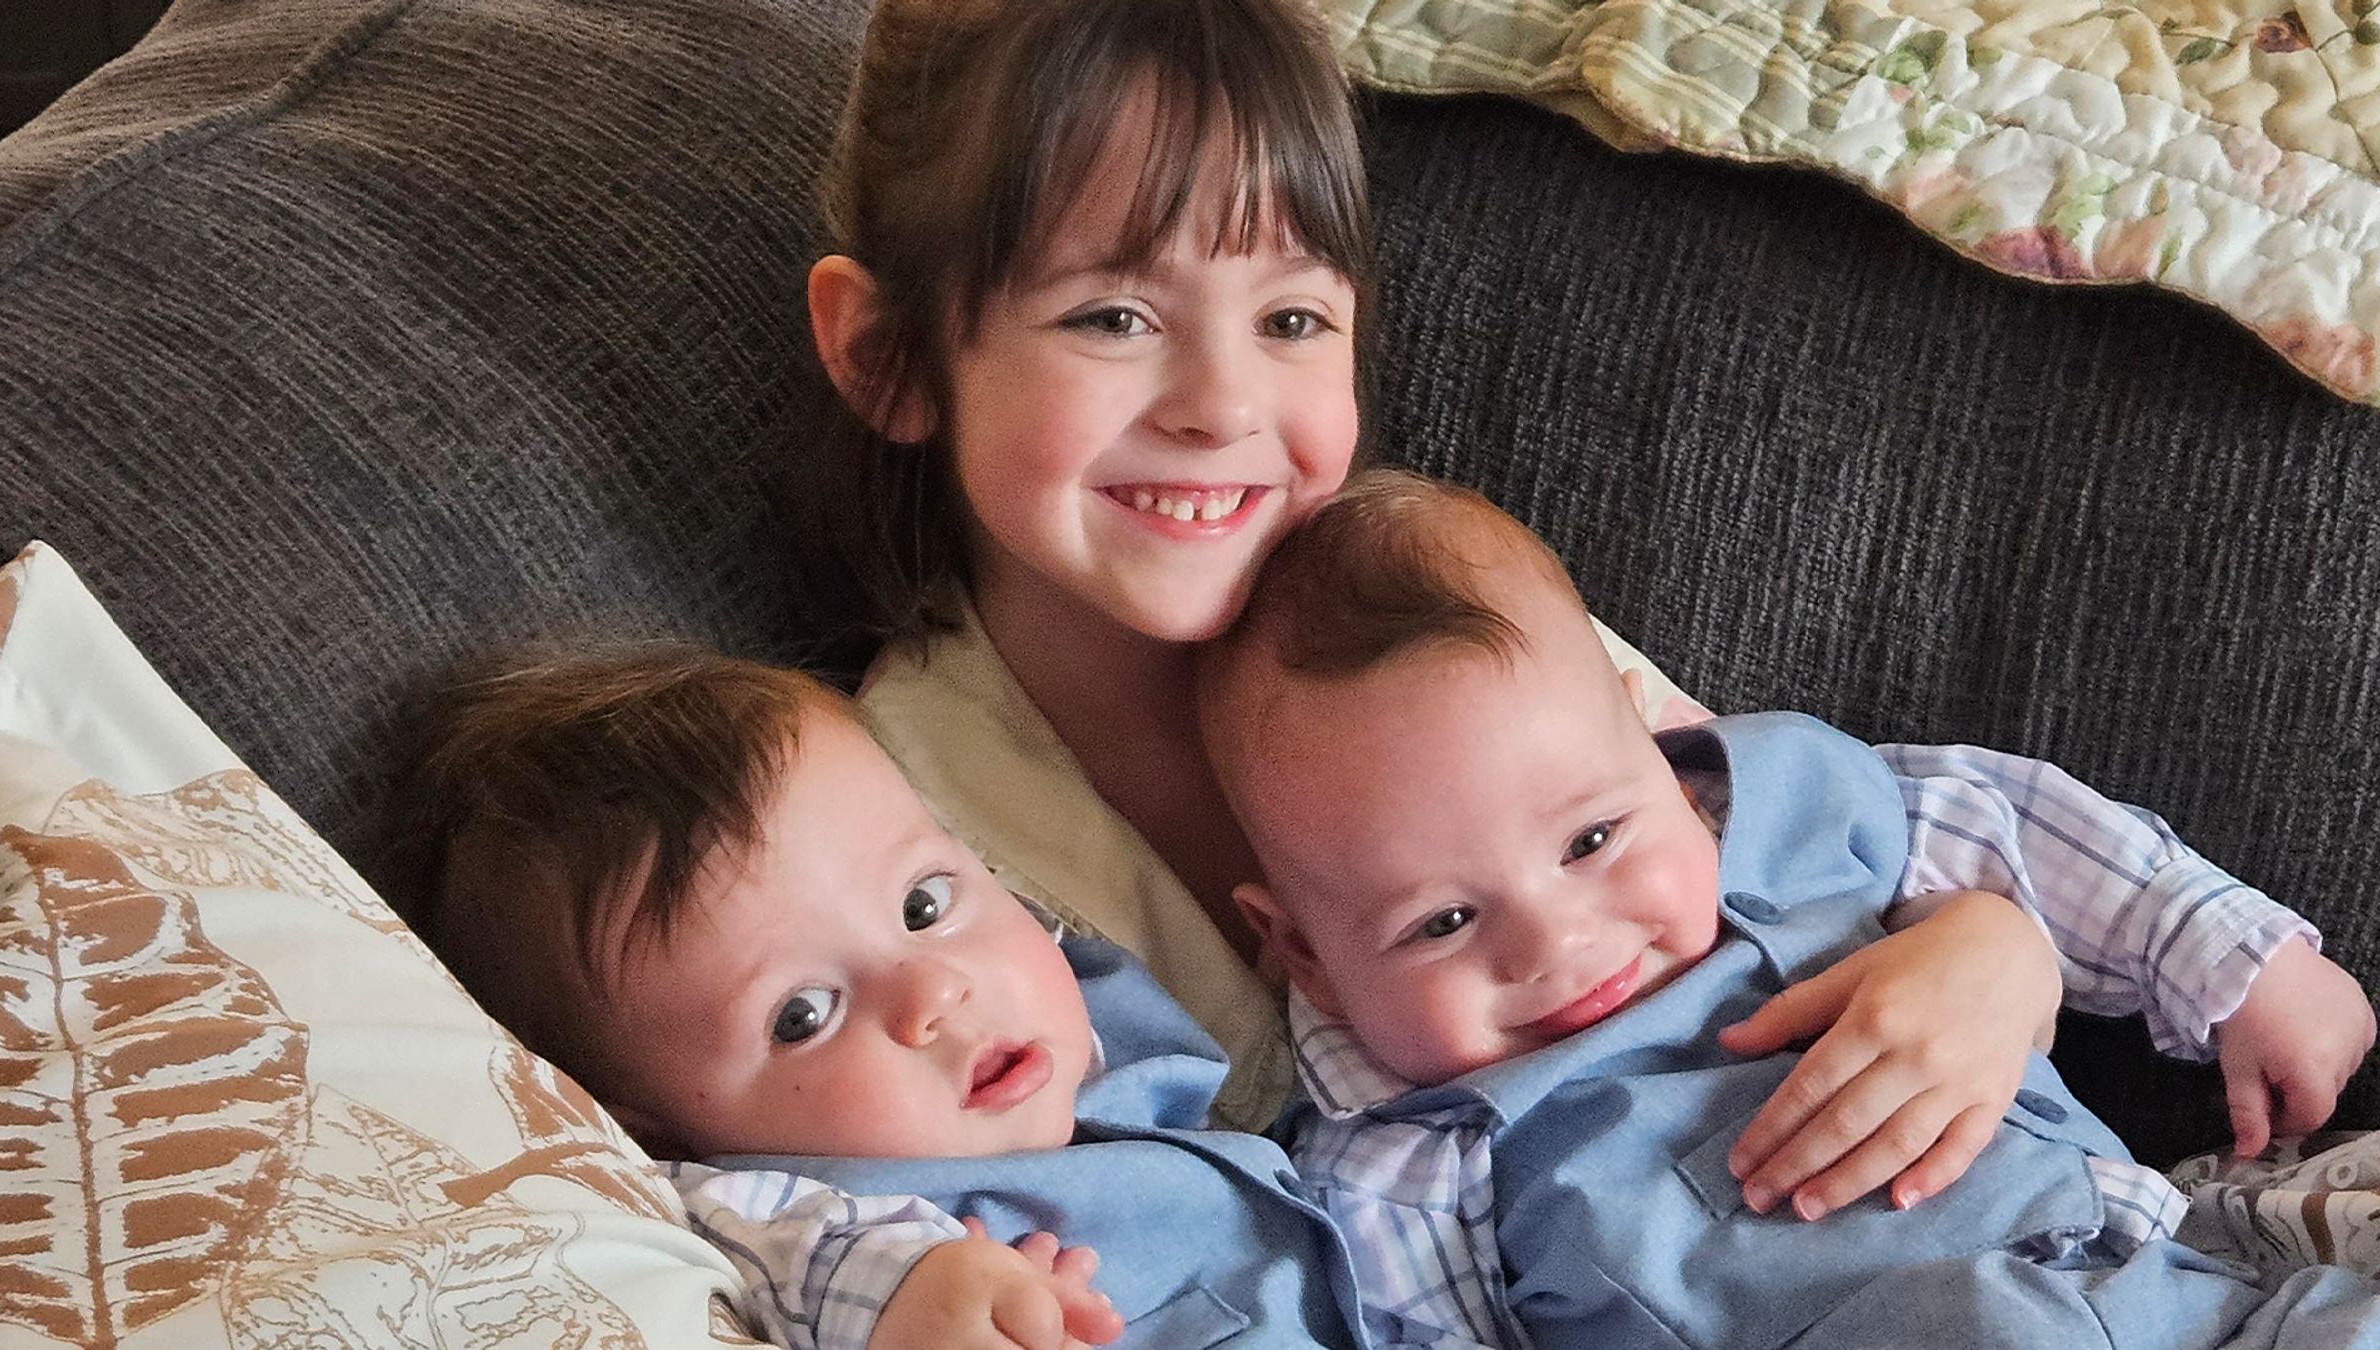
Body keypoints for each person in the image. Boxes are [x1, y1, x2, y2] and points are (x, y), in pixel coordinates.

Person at [808, 0, 2066, 1222]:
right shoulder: (882, 828)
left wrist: (1996, 954)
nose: (1222, 405)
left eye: (1291, 317)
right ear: (888, 357)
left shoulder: (1455, 623)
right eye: (1114, 317)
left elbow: (1811, 869)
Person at [1192, 469, 2380, 1349]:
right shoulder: (1403, 1170)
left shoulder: (1787, 817)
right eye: (1442, 923)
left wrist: (2231, 959)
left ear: (1650, 743)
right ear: (1302, 950)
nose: (1557, 942)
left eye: (1594, 840)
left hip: (2193, 1296)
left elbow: (2007, 821)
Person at [403, 644, 1370, 1350]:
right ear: (649, 1133)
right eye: (802, 1016)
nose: (931, 992)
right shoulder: (805, 1220)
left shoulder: (1087, 1006)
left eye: (923, 903)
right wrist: (913, 1304)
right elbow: (797, 1260)